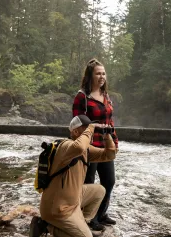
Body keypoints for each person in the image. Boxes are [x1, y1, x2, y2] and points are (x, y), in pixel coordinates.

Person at [30, 115, 117, 237]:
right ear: (75, 132)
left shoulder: (86, 149)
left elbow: (110, 155)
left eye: (90, 129)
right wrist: (91, 128)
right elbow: (79, 146)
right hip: (58, 208)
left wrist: (107, 136)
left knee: (99, 190)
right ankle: (46, 226)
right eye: (86, 129)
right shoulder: (65, 146)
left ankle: (82, 224)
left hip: (73, 199)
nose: (90, 133)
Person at [72, 58, 119, 230]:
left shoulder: (106, 95)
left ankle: (101, 214)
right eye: (98, 73)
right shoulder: (82, 97)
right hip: (90, 148)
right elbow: (78, 124)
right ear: (90, 76)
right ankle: (87, 218)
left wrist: (114, 142)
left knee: (109, 181)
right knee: (89, 183)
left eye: (103, 73)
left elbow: (110, 121)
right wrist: (92, 130)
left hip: (105, 145)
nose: (102, 76)